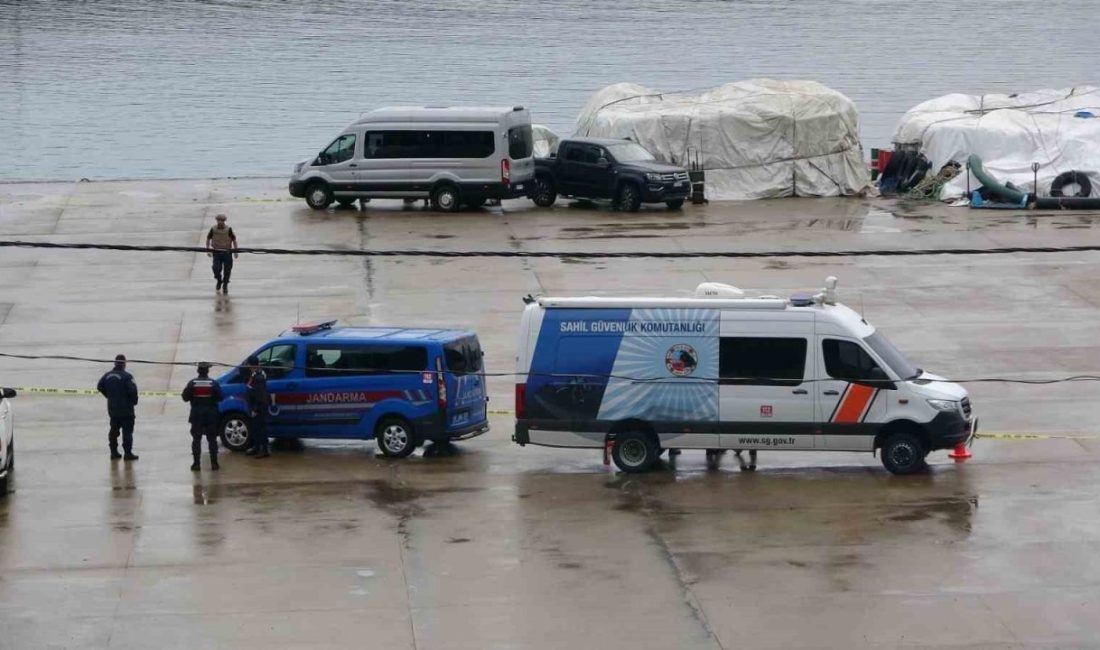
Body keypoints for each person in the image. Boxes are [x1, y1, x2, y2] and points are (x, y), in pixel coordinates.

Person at [182, 362, 223, 471]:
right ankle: (214, 464)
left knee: (196, 439)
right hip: (211, 415)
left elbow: (185, 397)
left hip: (196, 415)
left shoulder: (192, 383)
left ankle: (196, 464)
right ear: (207, 371)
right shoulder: (213, 383)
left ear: (198, 371)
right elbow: (220, 397)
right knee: (212, 439)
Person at [97, 354, 139, 460]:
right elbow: (133, 391)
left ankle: (113, 452)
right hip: (126, 410)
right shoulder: (127, 376)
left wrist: (108, 396)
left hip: (113, 409)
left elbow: (99, 386)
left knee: (114, 430)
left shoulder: (107, 375)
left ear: (115, 363)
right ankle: (128, 453)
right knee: (127, 432)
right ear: (124, 364)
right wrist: (134, 402)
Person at [244, 356, 270, 459]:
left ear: (251, 365)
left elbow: (260, 396)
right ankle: (256, 447)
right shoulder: (255, 374)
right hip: (256, 406)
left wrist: (255, 409)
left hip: (259, 407)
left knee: (261, 428)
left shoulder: (259, 377)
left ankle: (264, 450)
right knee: (255, 428)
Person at [206, 214, 238, 294]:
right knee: (216, 268)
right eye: (218, 220)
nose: (220, 222)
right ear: (216, 221)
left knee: (227, 270)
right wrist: (208, 249)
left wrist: (236, 251)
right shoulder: (213, 229)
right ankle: (219, 280)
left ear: (224, 221)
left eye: (222, 221)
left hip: (227, 252)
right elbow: (208, 238)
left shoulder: (228, 229)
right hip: (216, 253)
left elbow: (234, 240)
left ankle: (225, 285)